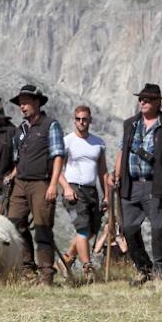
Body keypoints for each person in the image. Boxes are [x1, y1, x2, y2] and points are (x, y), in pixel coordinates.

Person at [113, 83, 162, 286]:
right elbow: (122, 151)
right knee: (128, 229)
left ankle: (161, 275)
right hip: (131, 185)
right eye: (141, 99)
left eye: (147, 99)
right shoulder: (130, 124)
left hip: (157, 185)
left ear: (157, 102)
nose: (142, 102)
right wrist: (116, 174)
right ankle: (144, 270)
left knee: (159, 229)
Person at [7, 85, 65, 286]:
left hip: (41, 183)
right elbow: (18, 158)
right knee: (14, 225)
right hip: (20, 183)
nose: (22, 107)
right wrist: (11, 175)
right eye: (20, 103)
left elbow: (58, 156)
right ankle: (27, 269)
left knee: (42, 229)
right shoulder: (20, 130)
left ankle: (46, 275)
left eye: (26, 102)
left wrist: (53, 185)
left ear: (37, 102)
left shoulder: (51, 125)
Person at [57, 105, 109, 282]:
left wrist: (107, 195)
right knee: (83, 228)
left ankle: (66, 259)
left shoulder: (99, 143)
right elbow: (56, 169)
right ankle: (87, 268)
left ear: (90, 120)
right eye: (78, 119)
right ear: (74, 120)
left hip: (92, 190)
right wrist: (66, 188)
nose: (81, 122)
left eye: (84, 119)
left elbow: (103, 171)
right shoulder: (67, 141)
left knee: (92, 229)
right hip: (74, 189)